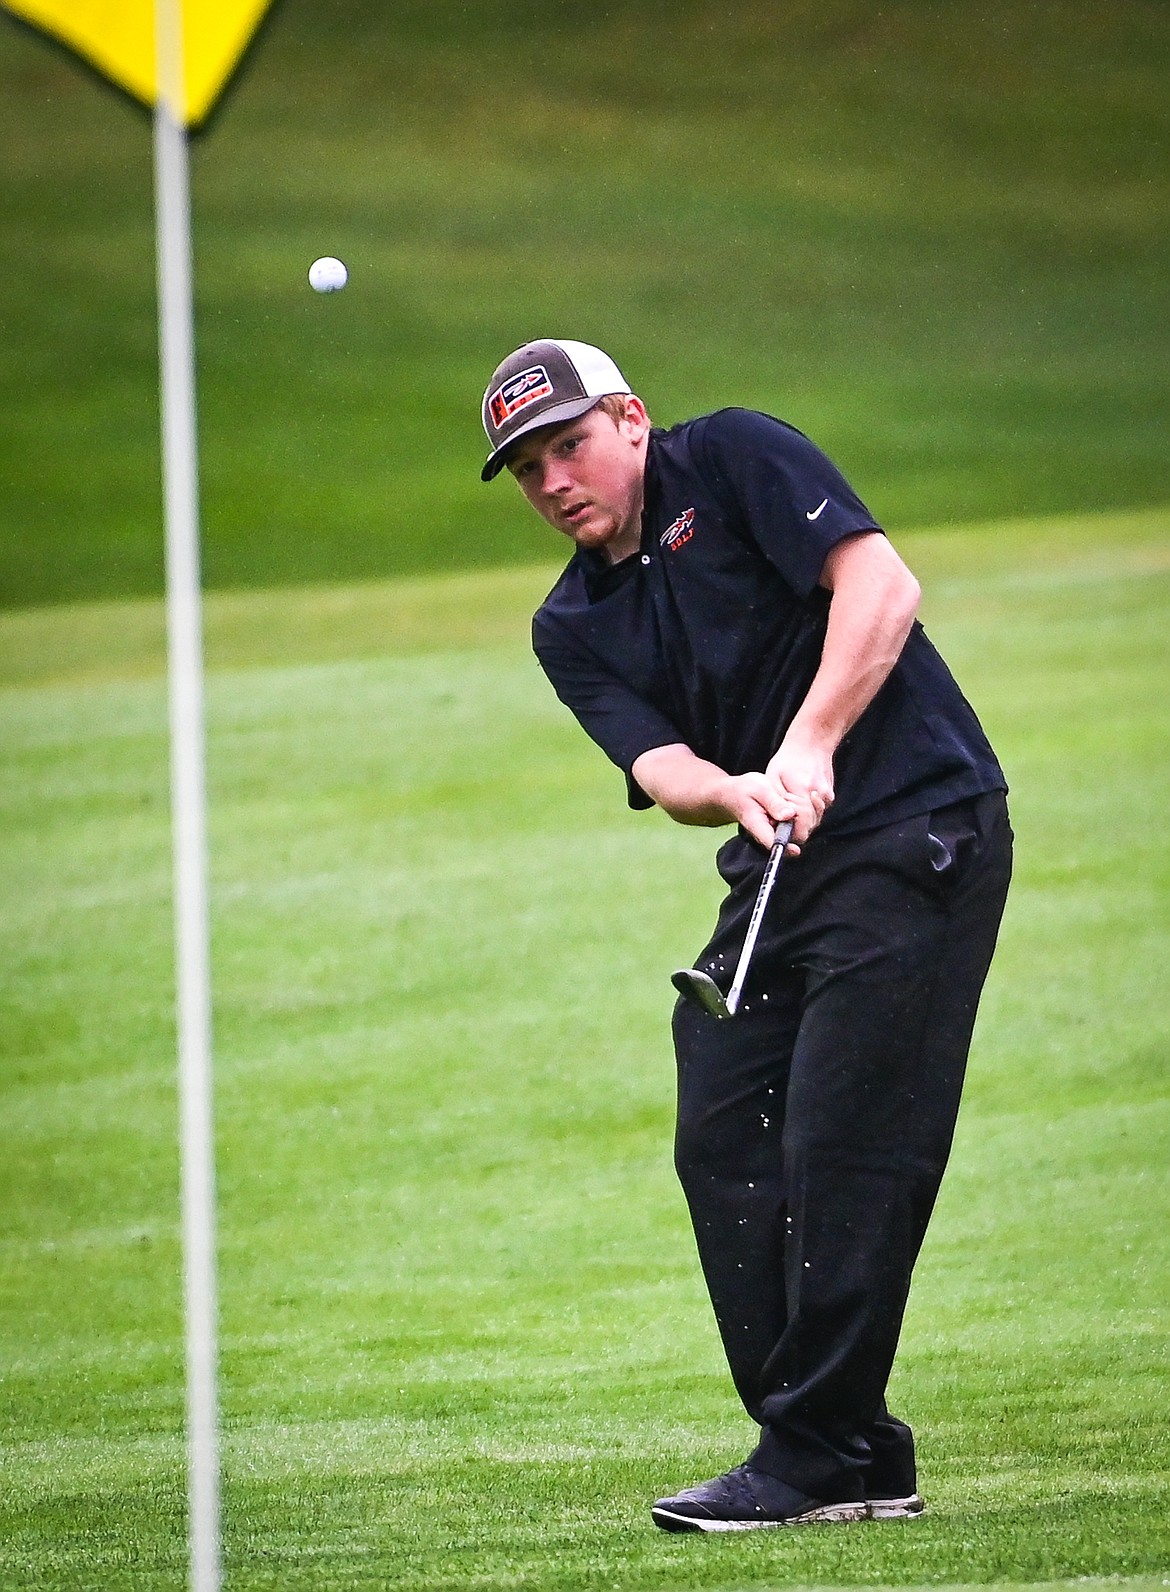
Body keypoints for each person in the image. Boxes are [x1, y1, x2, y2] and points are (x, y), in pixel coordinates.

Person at [479, 338, 1013, 1532]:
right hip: (782, 860)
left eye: (570, 443)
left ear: (630, 418)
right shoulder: (570, 622)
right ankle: (852, 1446)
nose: (554, 478)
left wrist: (811, 739)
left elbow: (882, 590)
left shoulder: (731, 456)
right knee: (722, 1120)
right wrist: (734, 789)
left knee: (845, 1140)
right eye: (527, 467)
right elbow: (660, 765)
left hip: (916, 822)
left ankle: (812, 1448)